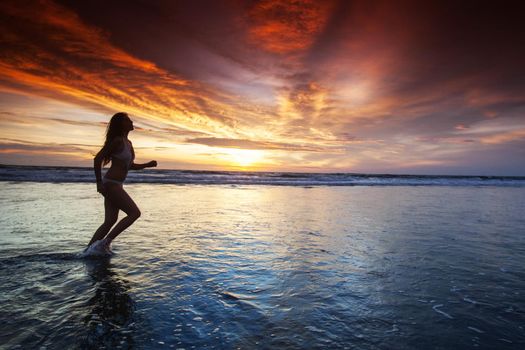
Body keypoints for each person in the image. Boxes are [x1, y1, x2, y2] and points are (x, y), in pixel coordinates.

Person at [85, 112, 157, 255]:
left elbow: (129, 166)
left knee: (110, 221)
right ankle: (106, 243)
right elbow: (97, 159)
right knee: (134, 213)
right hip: (110, 184)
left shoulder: (128, 143)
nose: (131, 122)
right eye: (127, 120)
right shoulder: (117, 141)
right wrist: (99, 182)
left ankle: (87, 252)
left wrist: (146, 165)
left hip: (117, 184)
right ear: (121, 124)